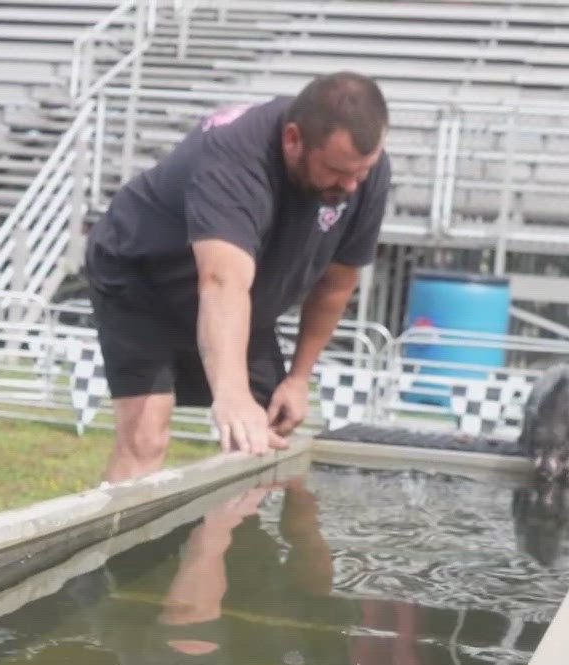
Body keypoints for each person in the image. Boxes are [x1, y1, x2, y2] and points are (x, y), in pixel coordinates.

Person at [83, 72, 394, 482]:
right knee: (147, 438)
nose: (352, 186)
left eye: (362, 172)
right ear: (293, 139)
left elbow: (336, 284)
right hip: (143, 281)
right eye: (337, 171)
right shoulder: (233, 157)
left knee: (260, 438)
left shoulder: (363, 175)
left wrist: (299, 379)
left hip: (242, 299)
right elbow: (221, 280)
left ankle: (217, 548)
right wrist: (230, 394)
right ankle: (120, 545)